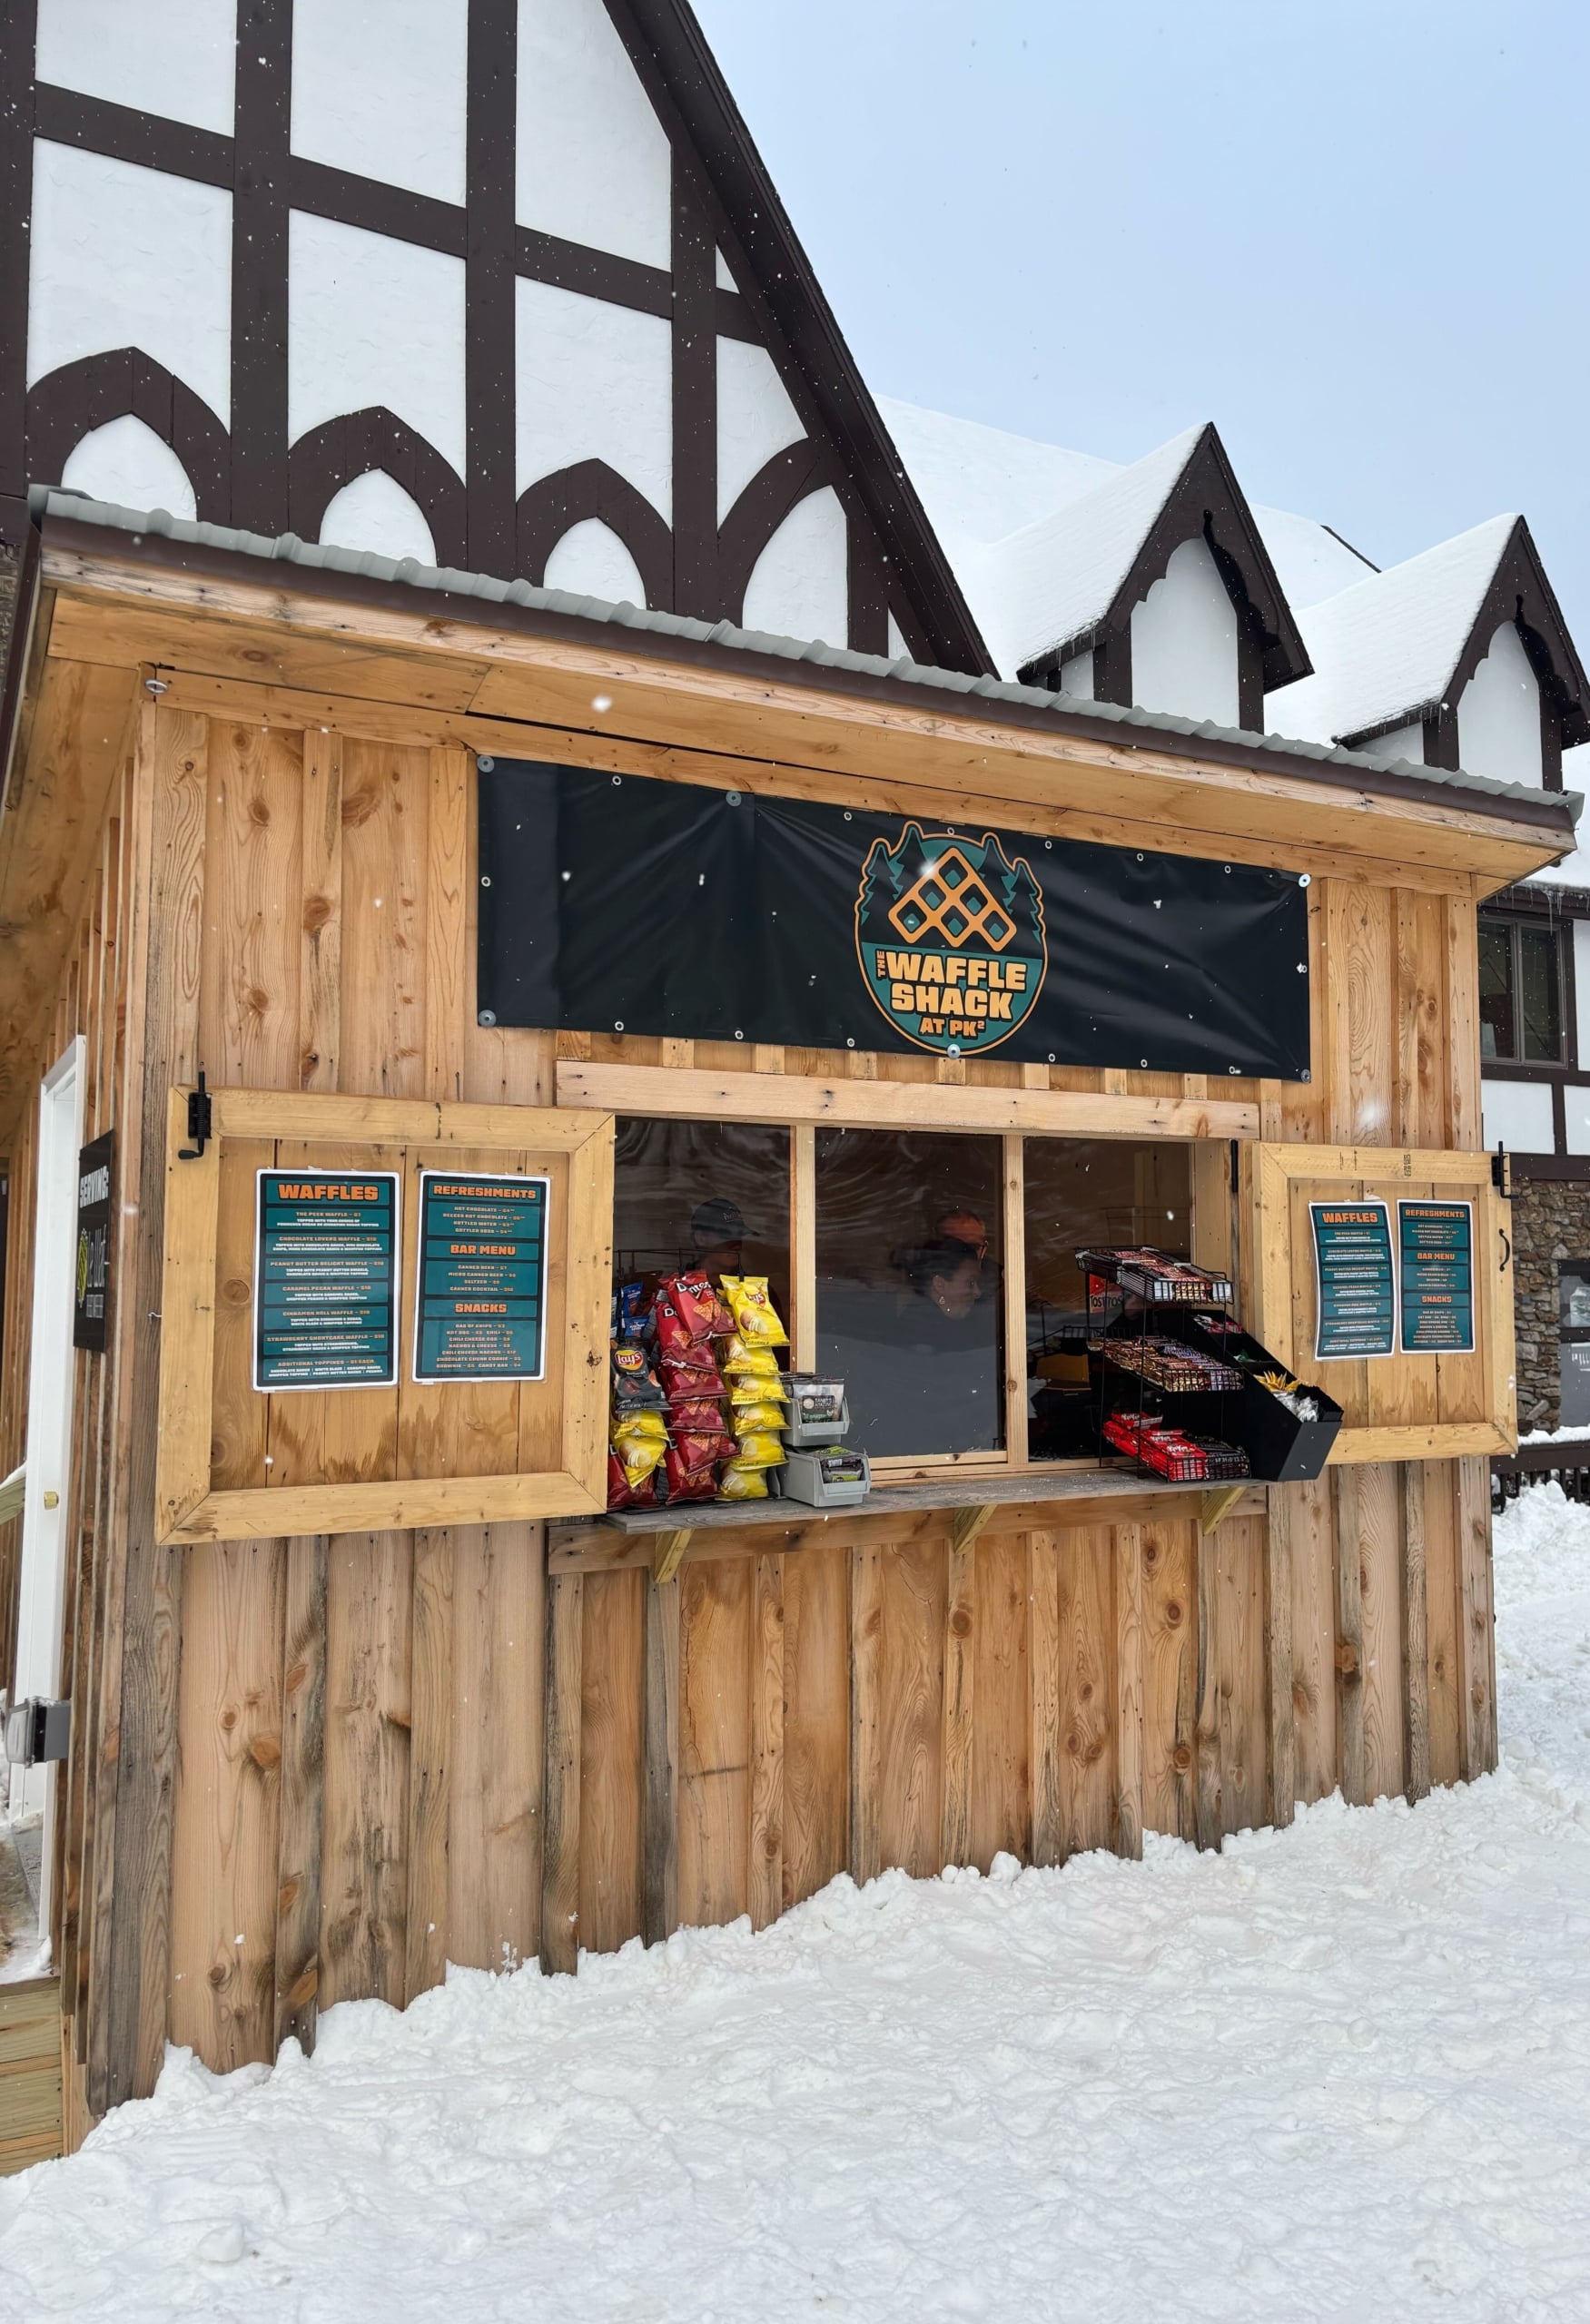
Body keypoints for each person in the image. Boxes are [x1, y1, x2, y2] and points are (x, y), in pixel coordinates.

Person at [688, 1195, 746, 1279]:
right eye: (727, 1236)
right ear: (701, 1238)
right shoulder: (675, 1287)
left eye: (740, 1234)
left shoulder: (756, 1289)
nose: (737, 1245)